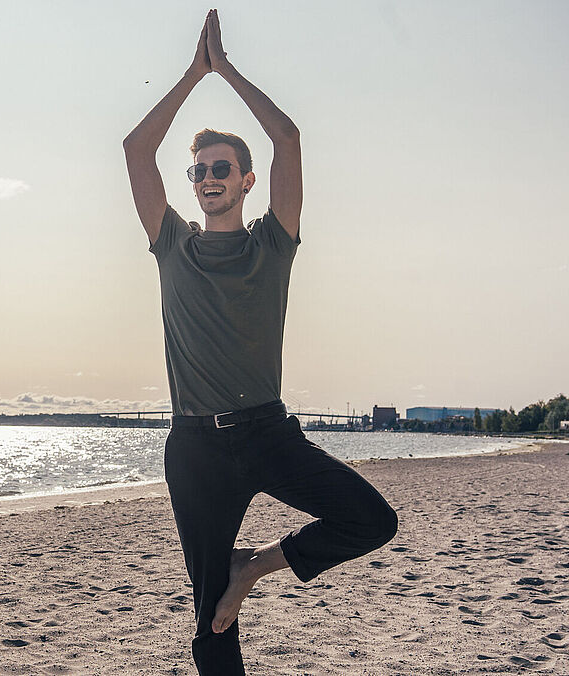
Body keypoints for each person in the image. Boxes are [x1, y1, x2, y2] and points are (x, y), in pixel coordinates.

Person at [123, 10, 398, 674]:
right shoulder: (172, 248)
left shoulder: (272, 245)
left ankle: (256, 567)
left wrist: (228, 70)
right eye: (198, 171)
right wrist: (193, 74)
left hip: (267, 434)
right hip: (195, 449)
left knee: (370, 521)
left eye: (222, 167)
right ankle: (230, 582)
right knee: (210, 616)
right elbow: (134, 150)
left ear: (247, 180)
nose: (208, 177)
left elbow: (289, 137)